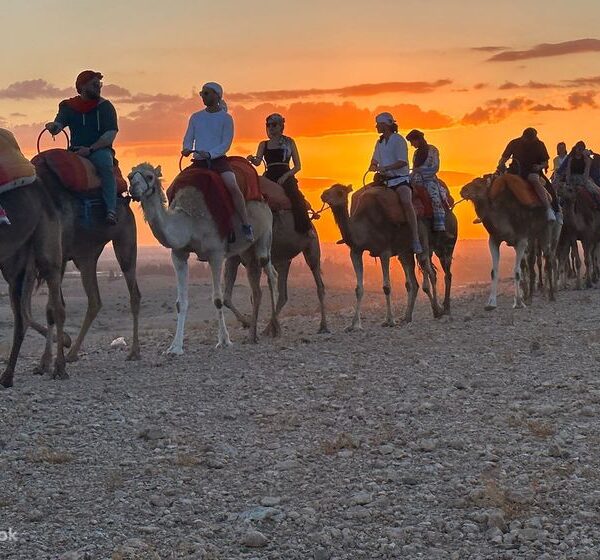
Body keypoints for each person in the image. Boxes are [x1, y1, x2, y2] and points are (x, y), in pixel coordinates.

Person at [182, 82, 254, 242]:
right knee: (178, 185)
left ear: (216, 95)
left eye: (206, 93)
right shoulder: (195, 117)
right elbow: (188, 137)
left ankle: (245, 224)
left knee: (233, 186)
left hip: (218, 161)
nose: (203, 97)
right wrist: (186, 148)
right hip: (198, 161)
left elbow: (226, 144)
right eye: (202, 94)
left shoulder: (226, 119)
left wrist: (210, 154)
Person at [45, 70, 119, 225]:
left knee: (106, 165)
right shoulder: (68, 106)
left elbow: (110, 134)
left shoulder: (105, 107)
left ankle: (111, 210)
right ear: (82, 86)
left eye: (99, 84)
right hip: (75, 151)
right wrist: (53, 127)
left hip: (99, 150)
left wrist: (91, 149)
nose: (98, 87)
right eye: (94, 84)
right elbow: (59, 124)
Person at [247, 113, 312, 234]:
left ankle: (306, 228)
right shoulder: (263, 144)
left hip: (285, 174)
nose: (270, 127)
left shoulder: (289, 142)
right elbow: (258, 162)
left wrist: (285, 176)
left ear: (281, 126)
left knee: (295, 196)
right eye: (268, 125)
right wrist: (252, 159)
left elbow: (298, 166)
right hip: (269, 174)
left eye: (274, 124)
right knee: (255, 196)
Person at [369, 113, 422, 254]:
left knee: (406, 200)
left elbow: (402, 162)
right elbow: (374, 159)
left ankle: (416, 238)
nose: (376, 126)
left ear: (385, 125)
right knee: (363, 197)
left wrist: (386, 168)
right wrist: (373, 166)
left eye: (378, 124)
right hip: (383, 181)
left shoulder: (398, 140)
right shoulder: (379, 142)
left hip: (400, 180)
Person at [497, 127, 555, 221]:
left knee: (534, 180)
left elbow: (545, 162)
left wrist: (539, 167)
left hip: (532, 171)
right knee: (497, 181)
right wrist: (501, 164)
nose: (531, 141)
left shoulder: (539, 145)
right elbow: (504, 158)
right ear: (524, 137)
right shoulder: (514, 143)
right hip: (515, 170)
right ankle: (489, 210)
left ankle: (548, 209)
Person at [406, 129, 448, 233]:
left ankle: (440, 227)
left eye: (412, 142)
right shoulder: (416, 153)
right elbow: (414, 167)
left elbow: (435, 167)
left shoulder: (433, 150)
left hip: (429, 179)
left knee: (435, 198)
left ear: (418, 140)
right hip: (415, 179)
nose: (412, 145)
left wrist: (420, 171)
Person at [565, 141, 600, 205]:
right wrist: (568, 181)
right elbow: (568, 170)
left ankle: (595, 204)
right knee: (564, 192)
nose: (579, 151)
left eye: (581, 149)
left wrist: (584, 181)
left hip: (583, 178)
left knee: (594, 191)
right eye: (578, 149)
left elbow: (587, 169)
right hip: (572, 178)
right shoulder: (571, 158)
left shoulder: (585, 159)